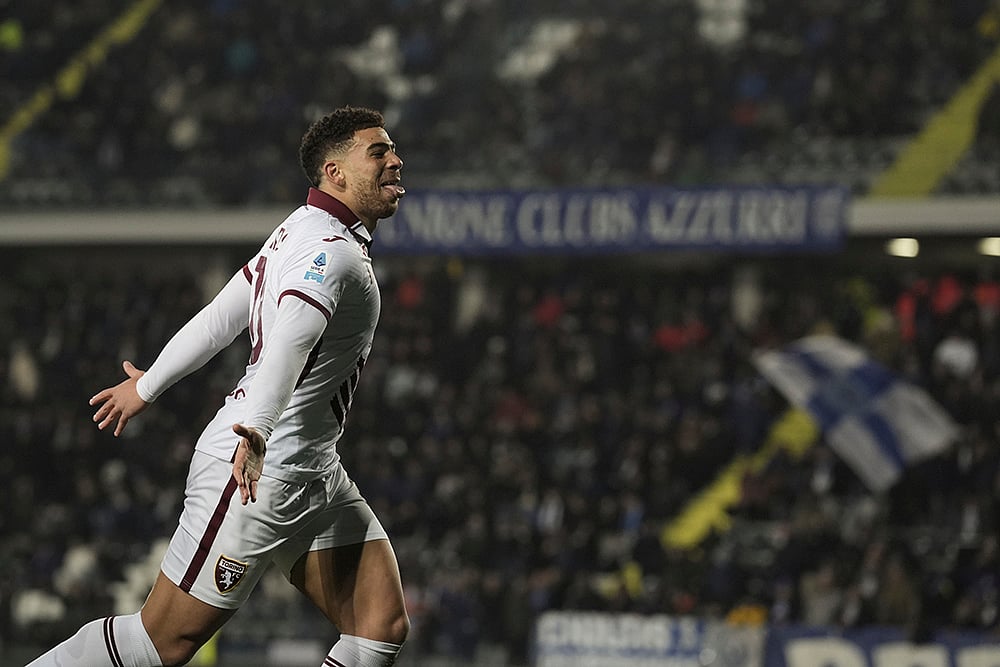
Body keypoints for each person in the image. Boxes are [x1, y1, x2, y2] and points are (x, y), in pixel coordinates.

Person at [29, 106, 410, 667]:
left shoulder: (298, 232)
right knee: (162, 640)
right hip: (256, 469)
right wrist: (255, 432)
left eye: (392, 148)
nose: (395, 159)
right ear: (334, 172)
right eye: (377, 151)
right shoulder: (328, 253)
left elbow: (222, 315)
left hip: (311, 470)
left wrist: (148, 386)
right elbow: (292, 341)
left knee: (380, 624)